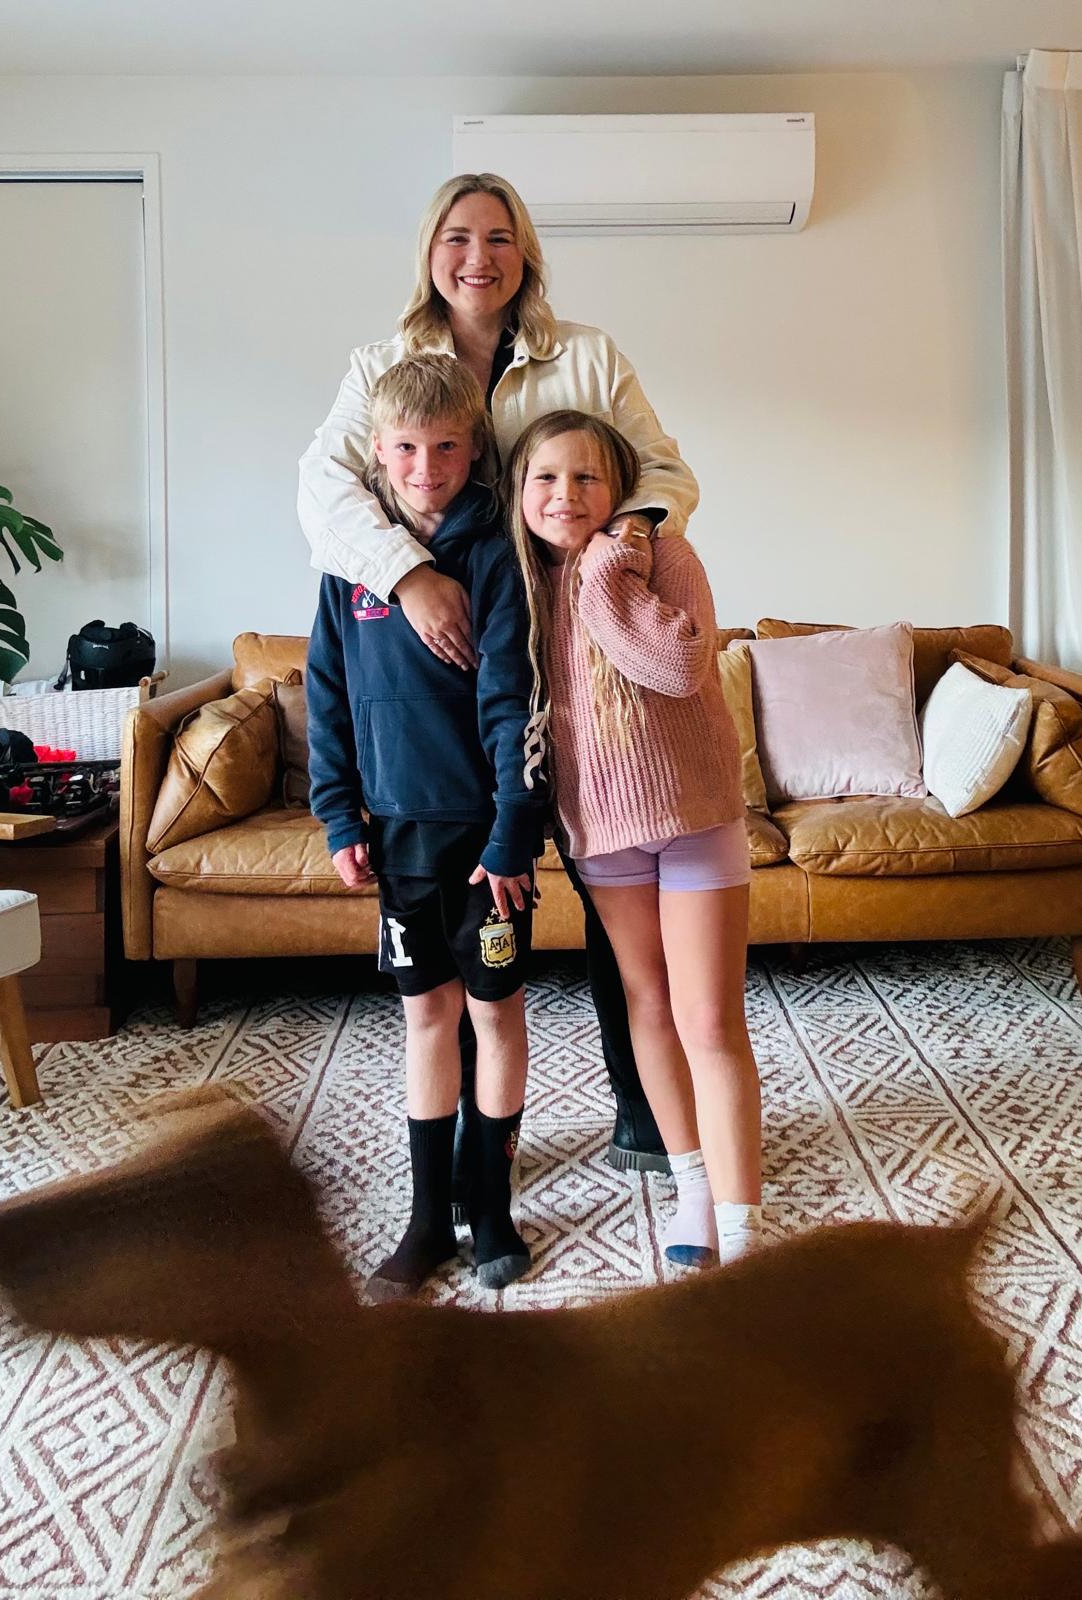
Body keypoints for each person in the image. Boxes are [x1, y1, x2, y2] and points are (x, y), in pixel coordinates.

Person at [298, 171, 698, 1171]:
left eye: (499, 237)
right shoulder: (380, 366)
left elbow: (660, 471)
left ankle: (643, 1110)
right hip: (455, 662)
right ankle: (477, 1153)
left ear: (525, 253)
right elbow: (321, 491)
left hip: (581, 649)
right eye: (457, 236)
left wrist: (616, 546)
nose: (477, 257)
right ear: (429, 252)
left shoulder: (587, 357)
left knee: (612, 888)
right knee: (470, 944)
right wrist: (410, 578)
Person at [305, 355, 546, 1300]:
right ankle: (426, 1219)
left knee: (494, 1012)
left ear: (474, 449)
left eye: (446, 448)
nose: (425, 468)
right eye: (406, 448)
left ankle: (490, 1205)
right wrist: (338, 816)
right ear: (376, 450)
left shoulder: (495, 552)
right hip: (397, 835)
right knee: (426, 1016)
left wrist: (513, 829)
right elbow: (325, 696)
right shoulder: (350, 564)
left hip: (486, 841)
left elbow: (513, 699)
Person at [506, 409, 762, 1266]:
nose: (565, 494)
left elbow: (678, 667)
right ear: (518, 490)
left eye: (586, 477)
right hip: (600, 828)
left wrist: (606, 567)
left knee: (708, 1021)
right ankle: (692, 1188)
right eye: (545, 477)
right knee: (647, 1005)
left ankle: (742, 1232)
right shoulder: (517, 578)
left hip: (694, 818)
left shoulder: (662, 557)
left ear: (620, 490)